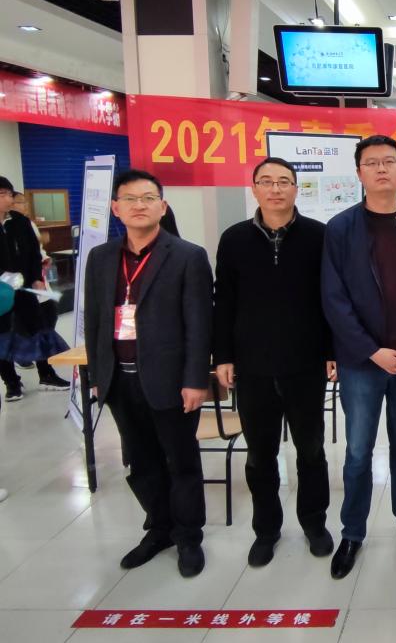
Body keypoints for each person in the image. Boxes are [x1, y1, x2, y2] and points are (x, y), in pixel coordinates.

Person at [83, 169, 212, 578]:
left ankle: (188, 536)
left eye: (148, 198)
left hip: (171, 380)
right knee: (140, 461)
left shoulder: (188, 256)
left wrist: (195, 379)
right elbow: (95, 320)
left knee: (181, 461)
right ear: (115, 208)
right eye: (130, 199)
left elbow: (199, 324)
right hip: (119, 379)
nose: (139, 205)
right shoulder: (101, 258)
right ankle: (159, 529)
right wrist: (98, 375)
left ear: (162, 206)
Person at [322, 136, 396, 580]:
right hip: (361, 361)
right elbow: (333, 299)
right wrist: (371, 350)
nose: (381, 169)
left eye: (389, 161)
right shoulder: (340, 228)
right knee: (358, 450)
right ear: (359, 173)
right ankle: (353, 531)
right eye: (371, 163)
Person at [213, 157, 335, 569]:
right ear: (254, 189)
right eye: (267, 181)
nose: (276, 188)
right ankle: (266, 530)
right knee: (260, 455)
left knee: (311, 451)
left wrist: (332, 351)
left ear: (296, 188)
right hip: (253, 367)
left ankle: (314, 523)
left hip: (306, 364)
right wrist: (223, 355)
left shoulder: (319, 236)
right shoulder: (234, 239)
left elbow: (331, 299)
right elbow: (223, 301)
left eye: (284, 181)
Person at [6, 188, 69, 392]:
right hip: (6, 291)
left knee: (42, 325)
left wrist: (36, 275)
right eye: (19, 202)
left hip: (29, 288)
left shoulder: (22, 223)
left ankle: (45, 372)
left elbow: (34, 251)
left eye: (22, 202)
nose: (23, 206)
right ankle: (12, 382)